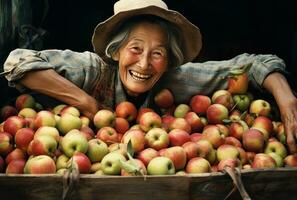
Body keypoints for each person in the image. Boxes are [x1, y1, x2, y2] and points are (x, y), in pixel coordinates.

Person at [2, 0, 297, 154]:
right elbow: (18, 60)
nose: (144, 64)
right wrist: (88, 104)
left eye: (158, 53)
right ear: (116, 51)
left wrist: (286, 98)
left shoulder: (175, 79)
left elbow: (252, 65)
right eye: (135, 49)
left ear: (168, 59)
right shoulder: (94, 70)